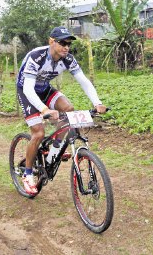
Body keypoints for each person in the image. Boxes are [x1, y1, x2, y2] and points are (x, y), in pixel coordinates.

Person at [16, 26, 106, 195]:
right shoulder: (37, 57)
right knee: (38, 133)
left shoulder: (68, 59)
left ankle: (55, 149)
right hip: (27, 91)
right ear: (52, 42)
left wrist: (97, 102)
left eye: (69, 44)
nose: (67, 47)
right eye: (63, 42)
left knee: (69, 109)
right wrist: (44, 109)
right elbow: (28, 88)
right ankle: (27, 175)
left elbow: (83, 81)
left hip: (44, 89)